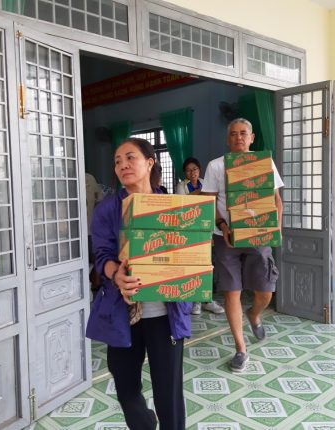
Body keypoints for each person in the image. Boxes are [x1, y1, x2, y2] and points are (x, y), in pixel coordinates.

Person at [86, 137, 190, 430]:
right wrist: (115, 274)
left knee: (168, 392)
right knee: (126, 386)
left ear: (149, 163)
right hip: (123, 313)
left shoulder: (173, 206)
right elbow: (102, 254)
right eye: (117, 161)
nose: (123, 165)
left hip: (165, 314)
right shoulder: (108, 209)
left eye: (130, 157)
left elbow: (189, 251)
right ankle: (145, 422)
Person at [202, 118, 283, 372]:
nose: (239, 137)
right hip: (225, 236)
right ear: (228, 139)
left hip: (258, 234)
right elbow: (209, 201)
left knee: (266, 290)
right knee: (231, 291)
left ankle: (254, 314)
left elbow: (276, 200)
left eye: (243, 133)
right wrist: (222, 225)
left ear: (252, 137)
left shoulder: (264, 163)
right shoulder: (216, 166)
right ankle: (240, 348)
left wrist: (274, 228)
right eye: (234, 134)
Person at [176, 156, 225, 316]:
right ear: (185, 173)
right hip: (189, 231)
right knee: (193, 265)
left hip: (207, 229)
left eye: (195, 169)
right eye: (188, 170)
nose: (192, 173)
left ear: (200, 170)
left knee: (208, 265)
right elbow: (183, 202)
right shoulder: (181, 186)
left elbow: (213, 200)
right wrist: (201, 193)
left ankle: (207, 300)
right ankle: (195, 301)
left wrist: (202, 193)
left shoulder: (206, 182)